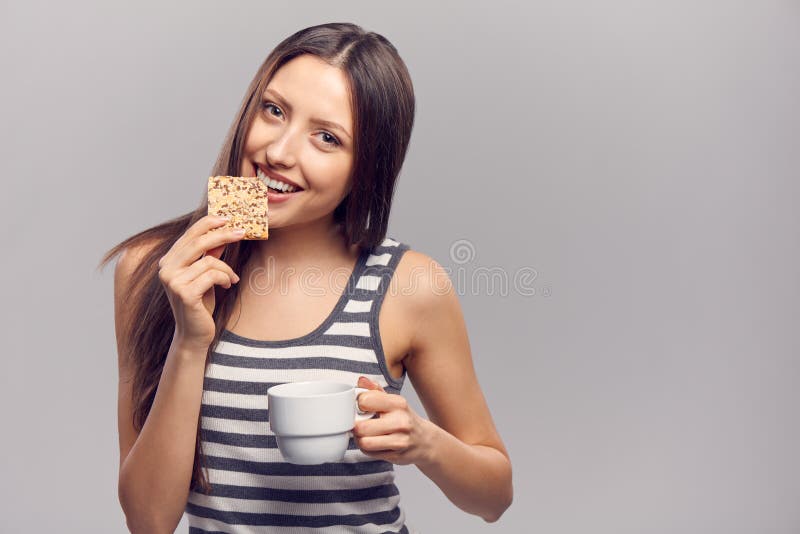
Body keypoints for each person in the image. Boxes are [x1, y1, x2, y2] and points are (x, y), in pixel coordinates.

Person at [99, 22, 512, 534]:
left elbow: (494, 497)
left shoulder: (409, 286)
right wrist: (189, 340)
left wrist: (424, 443)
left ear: (366, 168)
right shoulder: (151, 270)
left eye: (326, 138)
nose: (280, 152)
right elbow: (147, 522)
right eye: (273, 110)